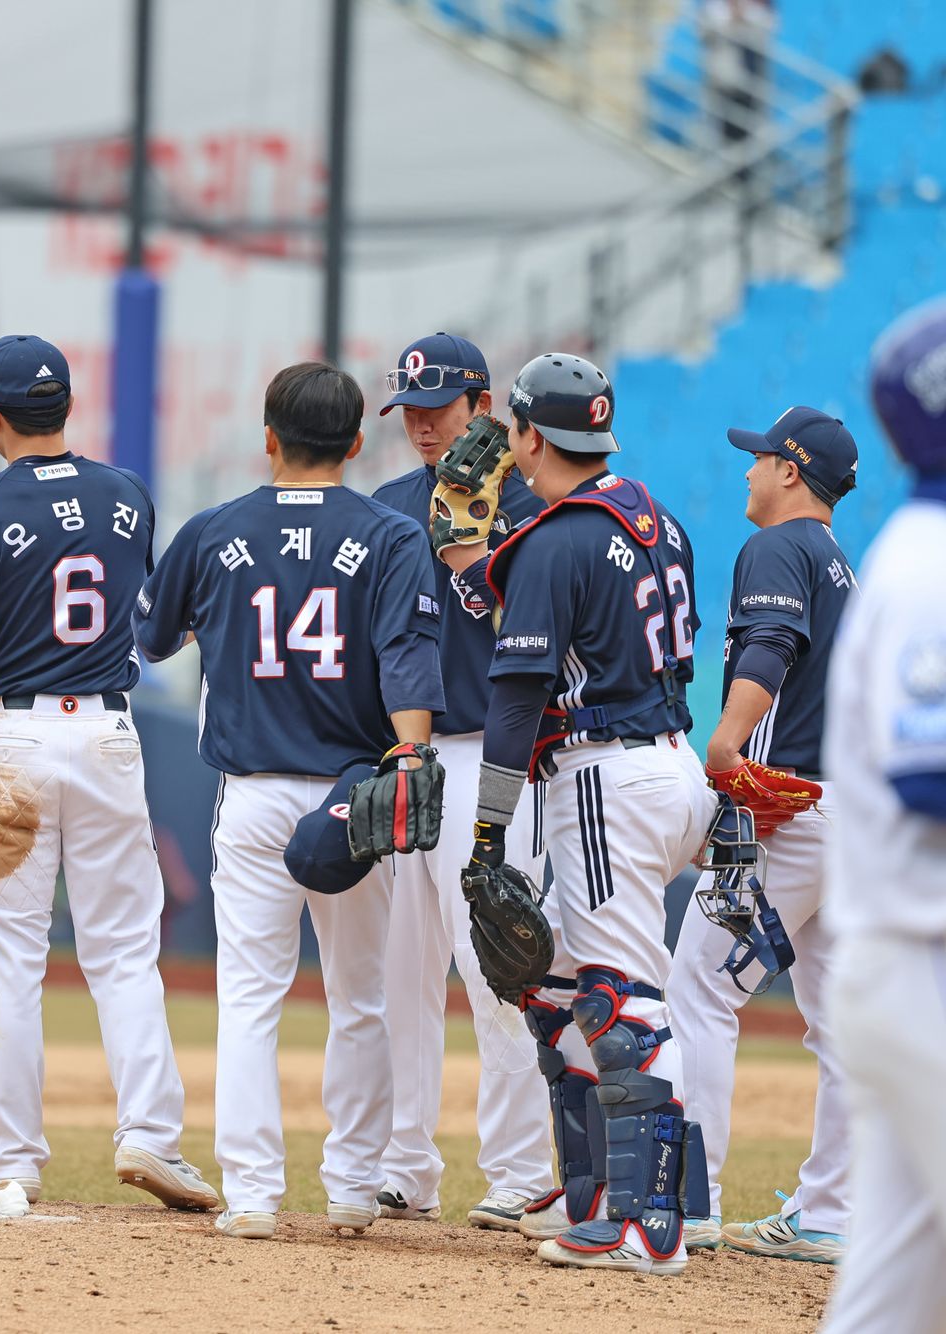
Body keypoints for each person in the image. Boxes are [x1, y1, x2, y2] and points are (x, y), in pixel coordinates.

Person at [0, 334, 217, 1212]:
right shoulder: (126, 496)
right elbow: (147, 622)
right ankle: (150, 1136)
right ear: (64, 408)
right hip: (109, 733)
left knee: (9, 964)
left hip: (16, 745)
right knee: (124, 956)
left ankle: (12, 1165)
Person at [136, 361, 444, 1240]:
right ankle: (352, 1187)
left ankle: (255, 1196)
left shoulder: (214, 531)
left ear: (267, 437)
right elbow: (410, 662)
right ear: (356, 443)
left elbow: (152, 639)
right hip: (355, 794)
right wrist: (413, 757)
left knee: (250, 997)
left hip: (254, 793)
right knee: (362, 999)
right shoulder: (390, 535)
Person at [440, 354, 716, 1274]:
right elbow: (558, 610)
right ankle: (596, 1192)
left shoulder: (558, 538)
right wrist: (465, 562)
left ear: (527, 436)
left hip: (609, 779)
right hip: (664, 763)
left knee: (625, 1002)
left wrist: (486, 831)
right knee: (548, 980)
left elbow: (517, 698)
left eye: (515, 429)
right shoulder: (653, 519)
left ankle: (653, 1224)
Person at [370, 333, 556, 1231]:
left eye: (439, 407)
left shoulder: (535, 508)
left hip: (499, 758)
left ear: (485, 410)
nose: (422, 424)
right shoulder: (390, 507)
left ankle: (518, 1169)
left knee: (498, 968)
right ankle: (406, 1164)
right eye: (409, 409)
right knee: (401, 976)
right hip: (410, 762)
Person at [666, 407, 857, 1262]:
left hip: (783, 808)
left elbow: (771, 642)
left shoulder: (778, 547)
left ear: (791, 469)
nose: (746, 472)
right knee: (842, 1023)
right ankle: (831, 1216)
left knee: (700, 988)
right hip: (847, 814)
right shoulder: (841, 562)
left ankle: (691, 1203)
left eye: (758, 459)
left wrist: (726, 740)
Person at [817, 297, 946, 1334]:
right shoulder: (926, 567)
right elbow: (928, 779)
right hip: (918, 963)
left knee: (894, 1287)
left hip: (907, 960)